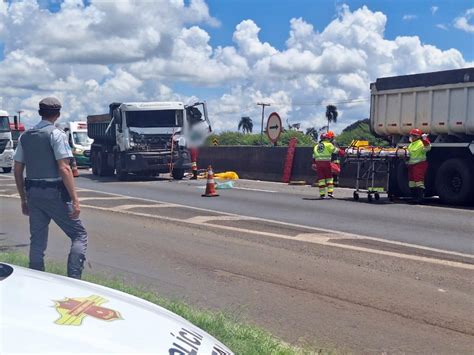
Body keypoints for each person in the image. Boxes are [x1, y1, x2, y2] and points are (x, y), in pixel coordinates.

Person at [13, 97, 88, 279]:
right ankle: (74, 278)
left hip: (33, 193)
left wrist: (23, 199)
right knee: (79, 234)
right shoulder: (57, 135)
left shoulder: (25, 137)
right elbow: (64, 167)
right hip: (55, 193)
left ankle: (36, 278)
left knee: (37, 240)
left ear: (40, 113)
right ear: (58, 114)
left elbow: (17, 169)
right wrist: (75, 200)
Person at [313, 132, 343, 199]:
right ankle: (330, 193)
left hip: (318, 164)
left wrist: (314, 164)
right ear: (326, 138)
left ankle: (322, 194)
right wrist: (343, 153)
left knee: (321, 180)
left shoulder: (316, 146)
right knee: (329, 178)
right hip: (326, 163)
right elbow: (336, 151)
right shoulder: (328, 144)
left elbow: (313, 156)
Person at [406, 128, 431, 203]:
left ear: (418, 137)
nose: (412, 137)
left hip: (419, 164)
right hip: (411, 165)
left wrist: (425, 139)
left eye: (414, 135)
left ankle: (420, 198)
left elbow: (428, 147)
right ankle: (414, 198)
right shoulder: (411, 144)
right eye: (411, 135)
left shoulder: (421, 143)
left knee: (419, 181)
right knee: (411, 182)